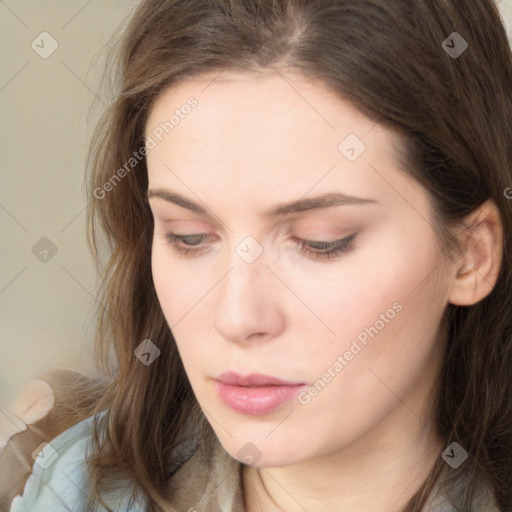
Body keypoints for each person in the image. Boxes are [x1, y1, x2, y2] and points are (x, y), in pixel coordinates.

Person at [1, 0, 511, 510]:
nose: (237, 317)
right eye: (189, 236)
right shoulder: (72, 491)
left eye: (320, 241)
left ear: (471, 255)